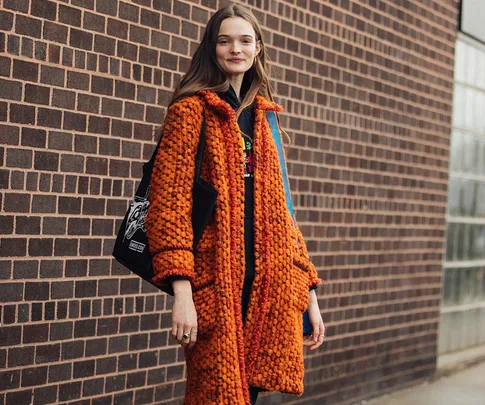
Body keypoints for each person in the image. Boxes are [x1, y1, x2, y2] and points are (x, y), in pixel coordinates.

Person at [145, 4, 325, 405]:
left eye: (245, 40)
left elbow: (284, 215)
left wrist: (308, 296)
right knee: (214, 396)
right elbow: (168, 207)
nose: (235, 49)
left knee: (252, 394)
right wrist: (183, 294)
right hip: (216, 288)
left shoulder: (266, 119)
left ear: (257, 48)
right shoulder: (190, 111)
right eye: (225, 41)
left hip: (269, 291)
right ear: (212, 48)